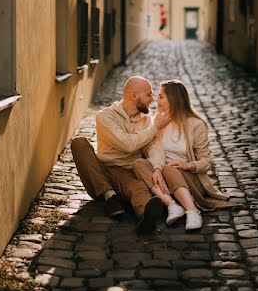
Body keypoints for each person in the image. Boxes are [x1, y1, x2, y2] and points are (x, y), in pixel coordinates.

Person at [133, 79, 241, 231]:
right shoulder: (158, 122)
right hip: (163, 180)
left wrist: (187, 165)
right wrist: (155, 128)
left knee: (170, 169)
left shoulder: (196, 125)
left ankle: (192, 211)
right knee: (139, 164)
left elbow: (207, 162)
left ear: (174, 99)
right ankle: (172, 205)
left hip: (189, 178)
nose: (157, 100)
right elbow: (149, 151)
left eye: (161, 96)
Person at [71, 76, 170, 234]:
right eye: (148, 95)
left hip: (128, 172)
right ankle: (110, 197)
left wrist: (157, 167)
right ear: (134, 95)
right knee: (79, 143)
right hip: (101, 172)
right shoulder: (105, 116)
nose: (152, 100)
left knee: (139, 188)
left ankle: (146, 216)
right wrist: (155, 128)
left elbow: (154, 147)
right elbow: (127, 144)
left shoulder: (147, 121)